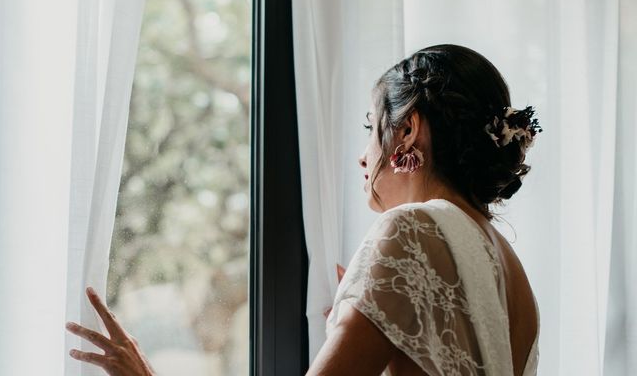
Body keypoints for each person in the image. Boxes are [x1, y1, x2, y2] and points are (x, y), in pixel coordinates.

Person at [66, 44, 542, 375]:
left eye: (370, 126)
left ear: (408, 131)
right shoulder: (510, 269)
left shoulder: (410, 229)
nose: (363, 154)